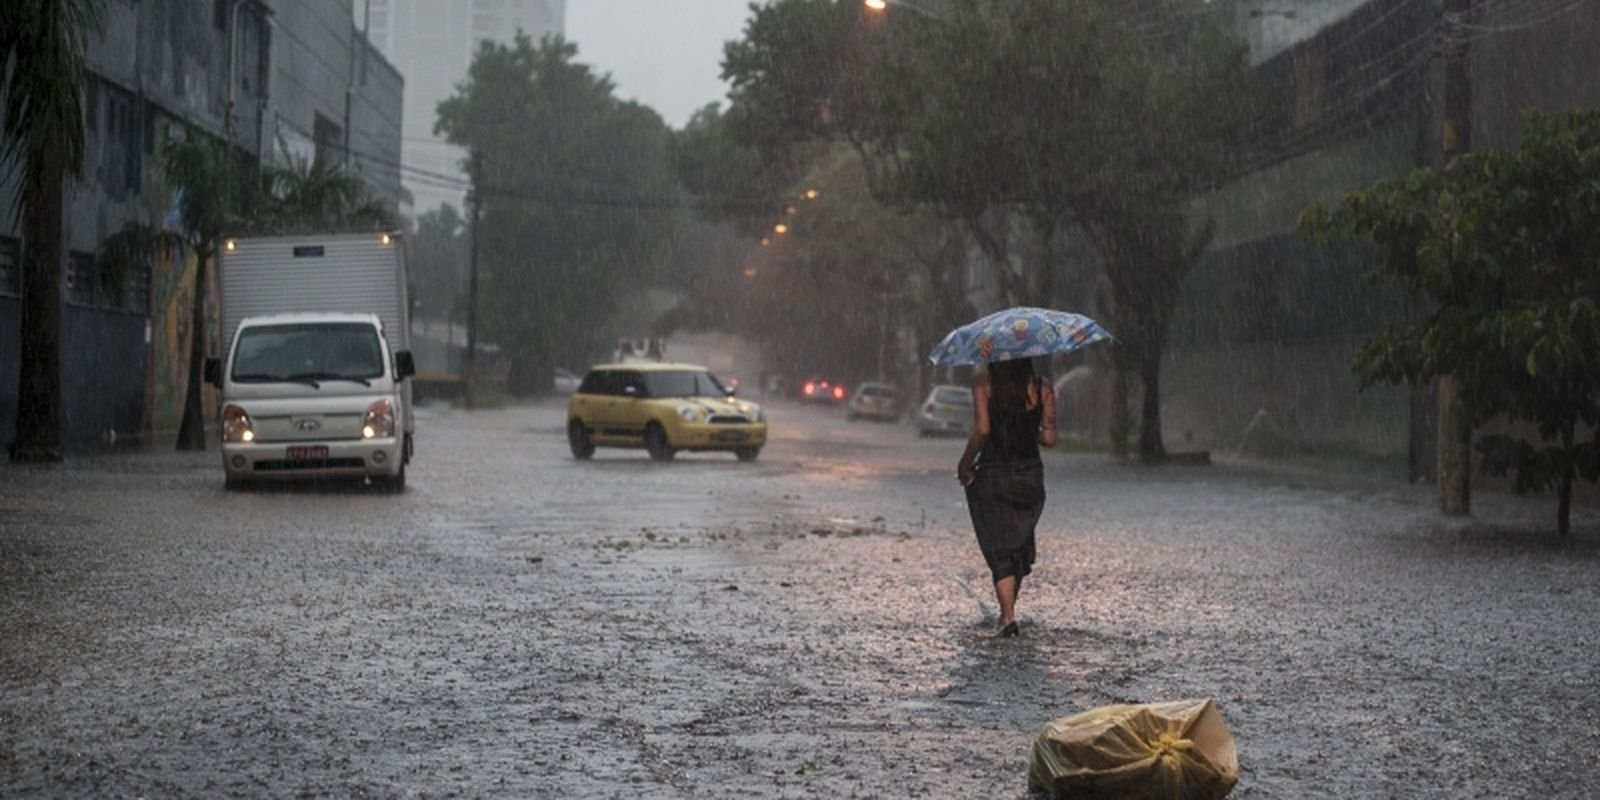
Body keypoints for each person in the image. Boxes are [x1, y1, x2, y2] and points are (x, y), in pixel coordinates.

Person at [956, 357, 1057, 638]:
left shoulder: (983, 381)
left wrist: (964, 465)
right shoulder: (1042, 386)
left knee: (999, 546)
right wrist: (1027, 429)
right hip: (1030, 476)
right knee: (1019, 542)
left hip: (994, 474)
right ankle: (1007, 612)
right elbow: (1050, 439)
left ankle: (1007, 617)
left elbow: (983, 430)